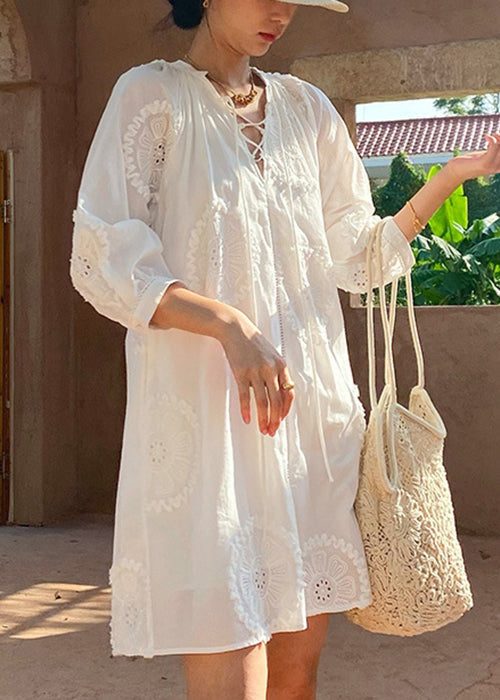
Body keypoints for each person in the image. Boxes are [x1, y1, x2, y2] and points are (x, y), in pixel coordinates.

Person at [69, 0, 500, 697]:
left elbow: (357, 258)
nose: (282, 10)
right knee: (234, 664)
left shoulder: (308, 110)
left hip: (307, 427)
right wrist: (229, 326)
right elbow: (106, 258)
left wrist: (449, 178)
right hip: (211, 437)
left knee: (297, 677)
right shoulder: (150, 98)